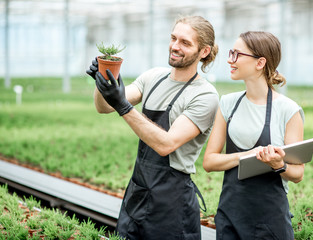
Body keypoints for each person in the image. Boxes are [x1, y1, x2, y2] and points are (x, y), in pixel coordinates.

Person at [86, 15, 219, 240]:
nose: (175, 46)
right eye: (173, 38)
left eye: (185, 43)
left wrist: (123, 106)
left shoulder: (205, 95)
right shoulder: (153, 77)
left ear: (204, 51)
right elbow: (105, 107)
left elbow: (165, 144)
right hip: (137, 192)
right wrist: (103, 83)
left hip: (172, 203)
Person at [203, 31, 305, 239]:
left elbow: (298, 174)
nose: (230, 60)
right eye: (231, 53)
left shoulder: (289, 110)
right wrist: (248, 155)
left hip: (270, 221)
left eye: (237, 54)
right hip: (229, 216)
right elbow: (209, 161)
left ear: (260, 63)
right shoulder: (228, 104)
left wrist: (278, 165)